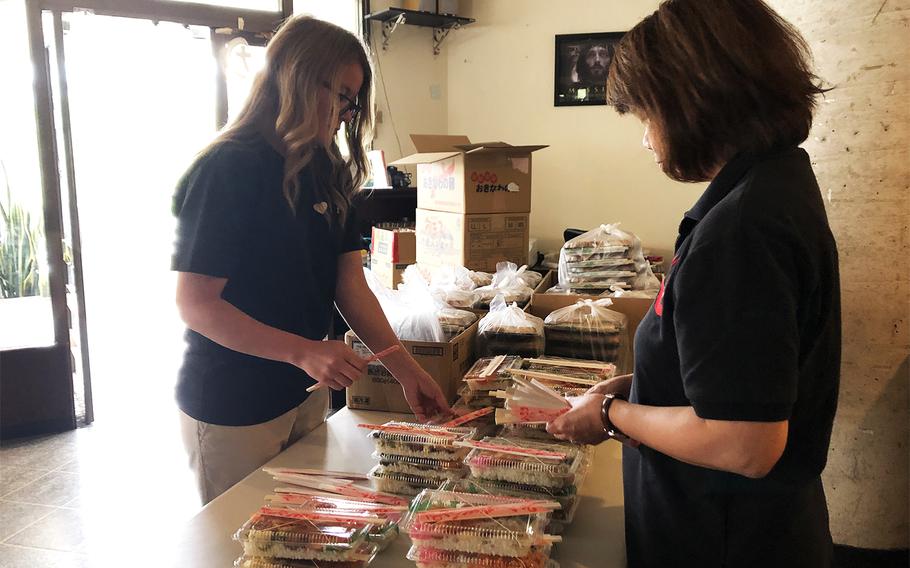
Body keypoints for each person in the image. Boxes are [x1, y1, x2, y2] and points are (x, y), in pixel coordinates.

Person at [547, 1, 839, 566]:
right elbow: (746, 368)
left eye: (645, 115)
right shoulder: (775, 183)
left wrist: (610, 417)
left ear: (690, 101)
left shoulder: (741, 230)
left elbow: (744, 442)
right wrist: (639, 387)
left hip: (726, 536)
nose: (646, 138)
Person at [171, 15, 451, 505]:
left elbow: (350, 286)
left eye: (353, 99)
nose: (346, 111)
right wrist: (303, 350)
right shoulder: (227, 168)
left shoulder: (324, 168)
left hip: (303, 392)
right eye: (340, 94)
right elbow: (197, 304)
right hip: (233, 399)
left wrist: (406, 370)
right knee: (244, 545)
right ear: (295, 76)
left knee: (297, 536)